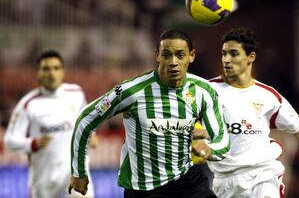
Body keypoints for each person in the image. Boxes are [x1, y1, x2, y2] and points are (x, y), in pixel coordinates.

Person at [193, 27, 299, 198]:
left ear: (251, 57)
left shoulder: (268, 95)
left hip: (262, 177)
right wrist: (197, 135)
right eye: (224, 54)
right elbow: (181, 121)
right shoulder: (206, 91)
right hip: (225, 181)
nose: (227, 59)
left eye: (233, 53)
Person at [68, 29, 230, 198]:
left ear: (192, 55)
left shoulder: (203, 90)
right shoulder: (130, 91)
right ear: (157, 55)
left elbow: (222, 139)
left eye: (180, 55)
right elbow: (86, 118)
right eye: (167, 55)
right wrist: (79, 172)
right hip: (144, 188)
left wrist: (209, 149)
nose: (173, 62)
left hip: (188, 181)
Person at [4, 50, 97, 198]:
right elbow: (9, 140)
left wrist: (92, 134)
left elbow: (86, 120)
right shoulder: (28, 104)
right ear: (38, 73)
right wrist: (31, 144)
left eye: (56, 68)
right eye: (46, 69)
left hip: (74, 172)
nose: (51, 73)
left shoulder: (76, 93)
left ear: (63, 72)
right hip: (44, 177)